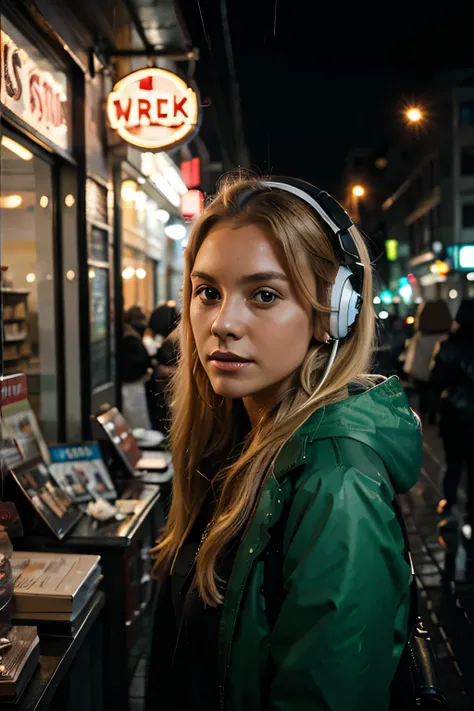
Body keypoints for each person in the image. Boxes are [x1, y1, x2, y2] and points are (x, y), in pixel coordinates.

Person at [146, 177, 421, 711]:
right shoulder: (233, 440)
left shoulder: (337, 485)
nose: (222, 323)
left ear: (332, 312)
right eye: (208, 292)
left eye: (264, 295)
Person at [431, 298, 474, 530]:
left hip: (455, 416)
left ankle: (449, 507)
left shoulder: (449, 346)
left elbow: (436, 380)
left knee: (453, 462)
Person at [403, 299, 452, 423]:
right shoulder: (448, 339)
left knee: (424, 393)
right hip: (442, 374)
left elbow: (412, 362)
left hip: (422, 374)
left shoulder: (419, 338)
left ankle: (426, 416)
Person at [119, 306, 152, 430]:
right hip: (131, 387)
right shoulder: (130, 337)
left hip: (132, 386)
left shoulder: (127, 333)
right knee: (137, 423)